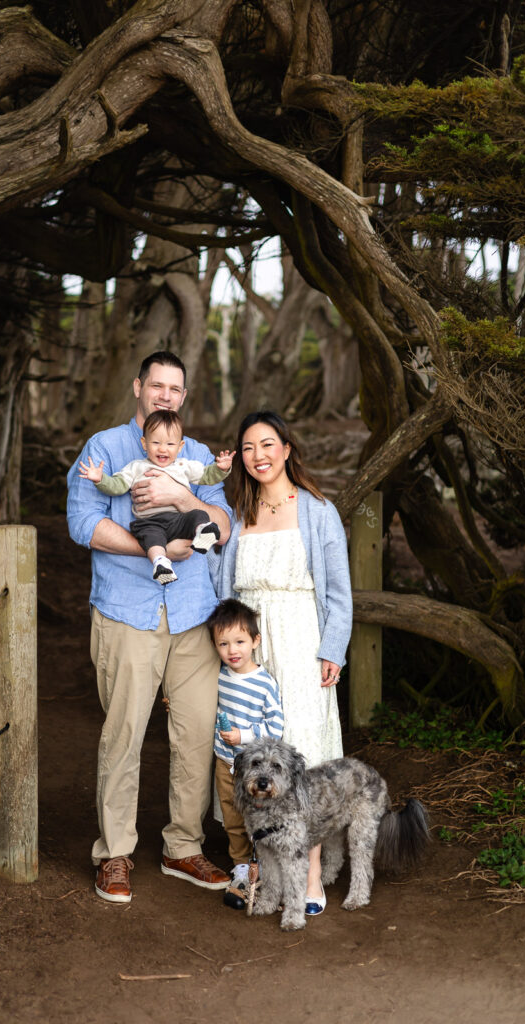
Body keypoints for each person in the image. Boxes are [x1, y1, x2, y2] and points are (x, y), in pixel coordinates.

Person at [66, 351, 232, 904]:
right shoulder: (106, 449)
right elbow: (84, 524)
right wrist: (157, 546)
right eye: (156, 385)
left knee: (195, 736)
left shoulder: (199, 455)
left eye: (175, 388)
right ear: (138, 386)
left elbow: (223, 524)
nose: (165, 395)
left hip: (192, 615)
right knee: (124, 734)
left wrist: (181, 500)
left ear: (184, 397)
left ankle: (182, 847)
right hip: (127, 613)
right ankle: (114, 852)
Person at [208, 410, 353, 916]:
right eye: (247, 448)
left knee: (303, 753)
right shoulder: (236, 511)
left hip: (298, 642)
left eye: (267, 444)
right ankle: (262, 869)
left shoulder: (318, 511)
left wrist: (332, 647)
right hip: (250, 647)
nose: (258, 456)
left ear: (287, 449)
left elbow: (338, 589)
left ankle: (310, 873)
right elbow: (219, 586)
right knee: (251, 754)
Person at [78, 409, 234, 584]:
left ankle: (202, 533)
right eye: (156, 442)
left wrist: (221, 469)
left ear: (180, 446)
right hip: (150, 522)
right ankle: (160, 563)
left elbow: (207, 476)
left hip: (178, 521)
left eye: (170, 444)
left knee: (199, 515)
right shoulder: (136, 467)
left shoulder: (183, 465)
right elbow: (118, 485)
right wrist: (100, 479)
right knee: (152, 538)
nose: (162, 449)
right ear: (144, 443)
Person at [206, 598, 284, 911]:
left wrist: (245, 736)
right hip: (225, 762)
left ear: (255, 641)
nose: (231, 650)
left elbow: (275, 726)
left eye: (239, 641)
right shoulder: (220, 675)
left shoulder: (264, 683)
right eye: (223, 644)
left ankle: (266, 870)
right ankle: (241, 868)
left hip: (254, 770)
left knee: (259, 818)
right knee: (232, 816)